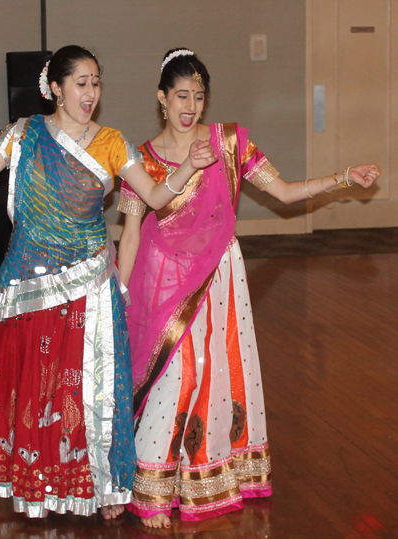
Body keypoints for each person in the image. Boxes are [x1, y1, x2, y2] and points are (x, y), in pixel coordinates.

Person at [0, 45, 216, 520]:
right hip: (34, 284)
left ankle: (104, 486)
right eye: (81, 83)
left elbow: (153, 195)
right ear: (56, 88)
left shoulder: (111, 142)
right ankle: (41, 483)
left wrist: (188, 166)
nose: (91, 93)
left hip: (90, 282)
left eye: (96, 82)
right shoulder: (23, 136)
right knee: (41, 388)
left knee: (94, 388)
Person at [117, 48, 381, 528]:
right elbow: (131, 230)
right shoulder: (143, 158)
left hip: (215, 272)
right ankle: (151, 486)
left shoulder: (228, 144)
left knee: (212, 373)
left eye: (199, 96)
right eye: (181, 95)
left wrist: (343, 178)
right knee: (173, 375)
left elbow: (282, 192)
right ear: (161, 98)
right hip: (161, 280)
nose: (190, 106)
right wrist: (121, 287)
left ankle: (204, 476)